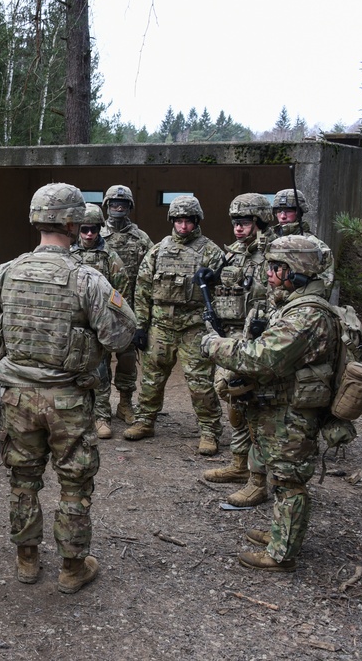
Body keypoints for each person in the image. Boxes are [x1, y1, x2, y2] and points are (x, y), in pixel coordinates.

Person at [0, 183, 137, 593]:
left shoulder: (7, 270)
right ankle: (70, 567)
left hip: (15, 396)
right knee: (74, 484)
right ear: (73, 222)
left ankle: (27, 560)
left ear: (36, 219)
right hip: (68, 399)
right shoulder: (87, 279)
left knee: (23, 480)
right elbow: (121, 336)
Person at [201, 235, 338, 572]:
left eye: (278, 268)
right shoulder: (293, 304)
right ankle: (281, 534)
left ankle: (281, 555)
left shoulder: (306, 315)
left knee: (288, 480)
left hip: (292, 412)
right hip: (281, 405)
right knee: (278, 475)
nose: (270, 275)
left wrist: (214, 345)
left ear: (298, 272)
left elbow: (263, 358)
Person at [125, 195, 226, 456]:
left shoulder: (211, 252)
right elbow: (143, 289)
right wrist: (140, 326)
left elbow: (222, 292)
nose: (183, 226)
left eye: (188, 221)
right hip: (161, 324)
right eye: (179, 221)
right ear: (173, 221)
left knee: (200, 382)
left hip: (194, 326)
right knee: (151, 378)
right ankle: (145, 421)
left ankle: (209, 431)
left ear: (196, 221)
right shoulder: (158, 250)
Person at [201, 193, 273, 508]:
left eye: (244, 223)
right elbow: (215, 283)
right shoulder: (230, 254)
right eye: (235, 223)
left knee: (253, 403)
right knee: (233, 394)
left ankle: (258, 481)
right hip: (233, 336)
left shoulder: (275, 254)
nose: (238, 229)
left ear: (259, 222)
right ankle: (239, 464)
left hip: (262, 341)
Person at [70, 203, 129, 439]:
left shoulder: (110, 257)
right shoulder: (69, 255)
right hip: (74, 323)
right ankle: (75, 415)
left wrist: (112, 322)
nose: (89, 235)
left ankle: (102, 416)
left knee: (101, 371)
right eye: (84, 229)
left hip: (99, 324)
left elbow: (121, 291)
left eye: (94, 229)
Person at [101, 185, 153, 424]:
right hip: (100, 311)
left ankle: (125, 404)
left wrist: (143, 316)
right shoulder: (94, 234)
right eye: (113, 203)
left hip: (129, 310)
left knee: (127, 360)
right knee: (99, 360)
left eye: (122, 203)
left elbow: (150, 275)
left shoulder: (141, 238)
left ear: (130, 206)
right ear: (106, 206)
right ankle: (100, 409)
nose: (118, 207)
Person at [270, 189, 334, 296]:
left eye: (288, 211)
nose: (282, 216)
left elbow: (324, 286)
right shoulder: (269, 239)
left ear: (299, 212)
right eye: (279, 211)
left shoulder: (313, 245)